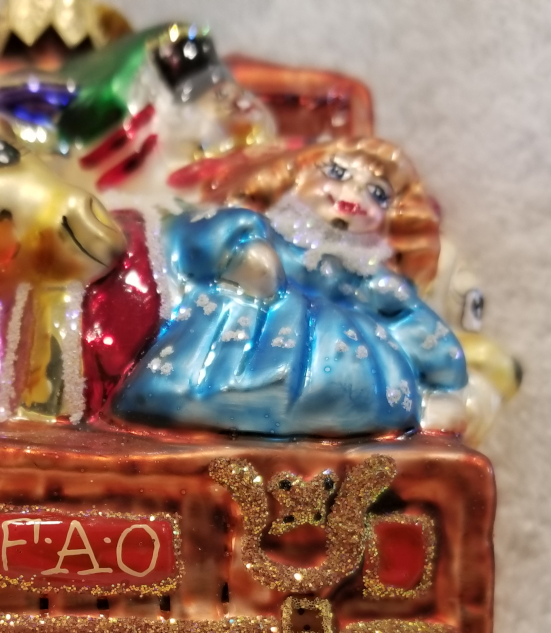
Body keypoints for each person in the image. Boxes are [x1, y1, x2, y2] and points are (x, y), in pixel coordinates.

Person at [110, 137, 467, 437]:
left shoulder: (363, 275)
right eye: (337, 173)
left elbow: (412, 321)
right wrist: (240, 253)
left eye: (377, 193)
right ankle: (190, 401)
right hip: (242, 325)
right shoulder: (264, 228)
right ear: (295, 176)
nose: (353, 193)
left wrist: (445, 379)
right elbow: (193, 233)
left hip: (346, 374)